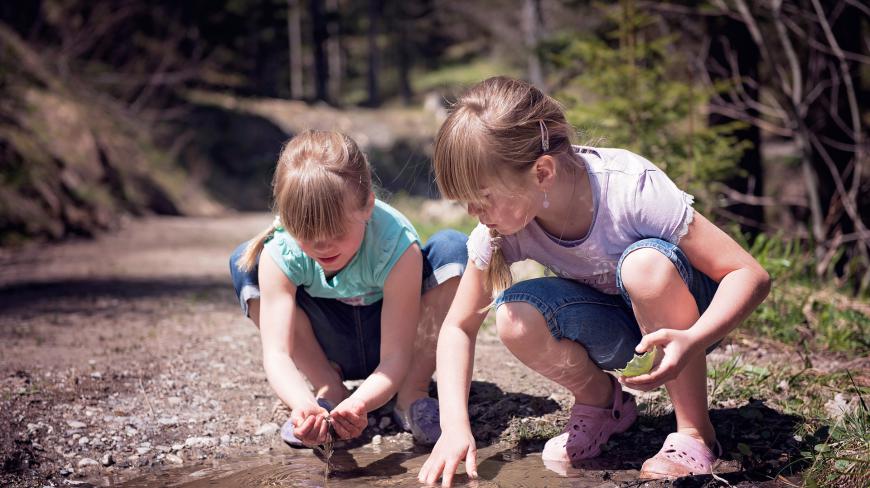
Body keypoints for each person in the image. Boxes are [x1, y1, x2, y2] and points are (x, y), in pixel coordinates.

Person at [417, 77, 771, 485]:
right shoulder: (503, 229)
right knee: (514, 316)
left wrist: (692, 339)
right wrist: (454, 427)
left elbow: (749, 274)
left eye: (482, 198)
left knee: (644, 268)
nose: (472, 213)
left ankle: (694, 432)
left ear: (542, 172)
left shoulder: (629, 187)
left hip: (685, 323)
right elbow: (459, 326)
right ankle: (604, 405)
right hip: (623, 333)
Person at [229, 130, 467, 448]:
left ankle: (412, 392)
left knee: (454, 247)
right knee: (245, 261)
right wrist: (304, 407)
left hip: (395, 343)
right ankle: (328, 388)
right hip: (329, 346)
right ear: (287, 220)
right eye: (306, 235)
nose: (323, 246)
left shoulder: (395, 245)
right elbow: (277, 353)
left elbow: (395, 356)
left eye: (336, 233)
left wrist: (361, 405)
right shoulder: (282, 250)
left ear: (368, 206)